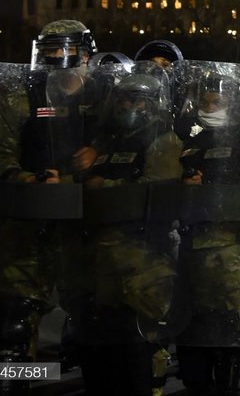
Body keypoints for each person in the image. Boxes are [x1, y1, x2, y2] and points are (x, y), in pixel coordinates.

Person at [0, 19, 99, 393]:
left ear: (85, 55)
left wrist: (97, 156)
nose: (56, 64)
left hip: (88, 220)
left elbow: (131, 143)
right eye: (48, 55)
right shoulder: (24, 96)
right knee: (14, 324)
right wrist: (28, 180)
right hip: (33, 215)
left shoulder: (105, 97)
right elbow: (0, 151)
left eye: (64, 54)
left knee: (96, 322)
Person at [78, 71, 182, 396]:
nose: (130, 105)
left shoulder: (164, 140)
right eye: (125, 98)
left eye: (139, 100)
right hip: (102, 261)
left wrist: (102, 187)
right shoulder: (106, 142)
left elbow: (155, 193)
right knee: (103, 355)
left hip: (145, 262)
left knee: (140, 353)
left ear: (153, 106)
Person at [175, 68, 240, 396]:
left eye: (216, 101)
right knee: (200, 347)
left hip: (237, 254)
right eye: (204, 101)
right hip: (194, 253)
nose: (210, 106)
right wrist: (185, 187)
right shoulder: (187, 139)